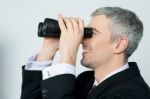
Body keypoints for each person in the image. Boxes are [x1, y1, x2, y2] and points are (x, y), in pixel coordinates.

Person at [20, 7, 150, 99]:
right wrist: (48, 49)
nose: (81, 40)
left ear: (119, 44)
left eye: (91, 33)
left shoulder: (134, 93)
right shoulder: (85, 80)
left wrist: (68, 56)